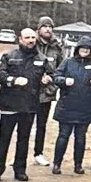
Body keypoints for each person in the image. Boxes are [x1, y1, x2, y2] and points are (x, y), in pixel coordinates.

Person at [0, 27, 48, 182]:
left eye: (32, 38)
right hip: (9, 104)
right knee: (4, 138)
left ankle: (20, 170)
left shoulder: (42, 58)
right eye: (27, 38)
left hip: (29, 105)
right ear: (20, 39)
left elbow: (51, 75)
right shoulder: (9, 55)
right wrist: (12, 80)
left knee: (24, 139)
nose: (30, 41)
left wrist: (47, 79)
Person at [48, 40, 91, 175]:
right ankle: (57, 164)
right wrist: (64, 81)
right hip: (67, 104)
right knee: (63, 135)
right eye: (82, 48)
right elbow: (56, 76)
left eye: (88, 48)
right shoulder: (68, 62)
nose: (85, 50)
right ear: (78, 49)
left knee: (81, 137)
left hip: (85, 106)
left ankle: (78, 165)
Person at [31, 17, 61, 164]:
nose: (48, 29)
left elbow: (61, 70)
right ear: (39, 29)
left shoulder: (57, 48)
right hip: (29, 92)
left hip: (47, 93)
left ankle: (38, 152)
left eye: (50, 26)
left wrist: (51, 79)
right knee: (24, 125)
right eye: (44, 26)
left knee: (41, 125)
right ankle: (19, 153)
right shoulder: (30, 44)